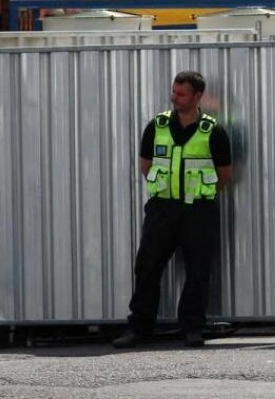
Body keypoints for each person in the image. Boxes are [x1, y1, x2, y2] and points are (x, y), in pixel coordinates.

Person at [113, 71, 232, 349]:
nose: (174, 97)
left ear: (197, 96)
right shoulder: (157, 126)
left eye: (181, 94)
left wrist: (197, 194)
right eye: (174, 92)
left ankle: (192, 328)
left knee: (197, 270)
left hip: (199, 211)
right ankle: (139, 329)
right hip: (162, 209)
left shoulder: (213, 131)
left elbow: (224, 175)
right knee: (147, 268)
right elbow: (145, 166)